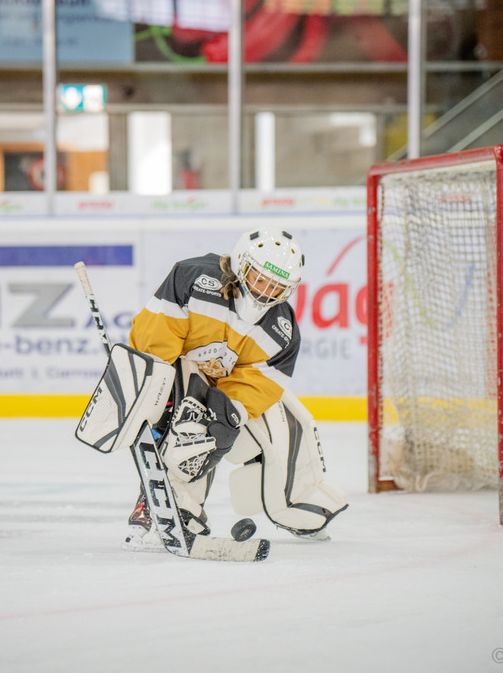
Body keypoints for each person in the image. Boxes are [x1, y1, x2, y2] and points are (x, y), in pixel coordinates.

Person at [120, 227, 348, 551]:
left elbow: (262, 383)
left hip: (226, 389)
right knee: (192, 425)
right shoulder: (193, 279)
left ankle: (302, 507)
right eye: (260, 279)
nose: (266, 291)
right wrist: (158, 395)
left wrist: (231, 412)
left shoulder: (282, 330)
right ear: (241, 264)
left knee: (292, 424)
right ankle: (179, 509)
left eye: (277, 286)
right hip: (182, 376)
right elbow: (155, 344)